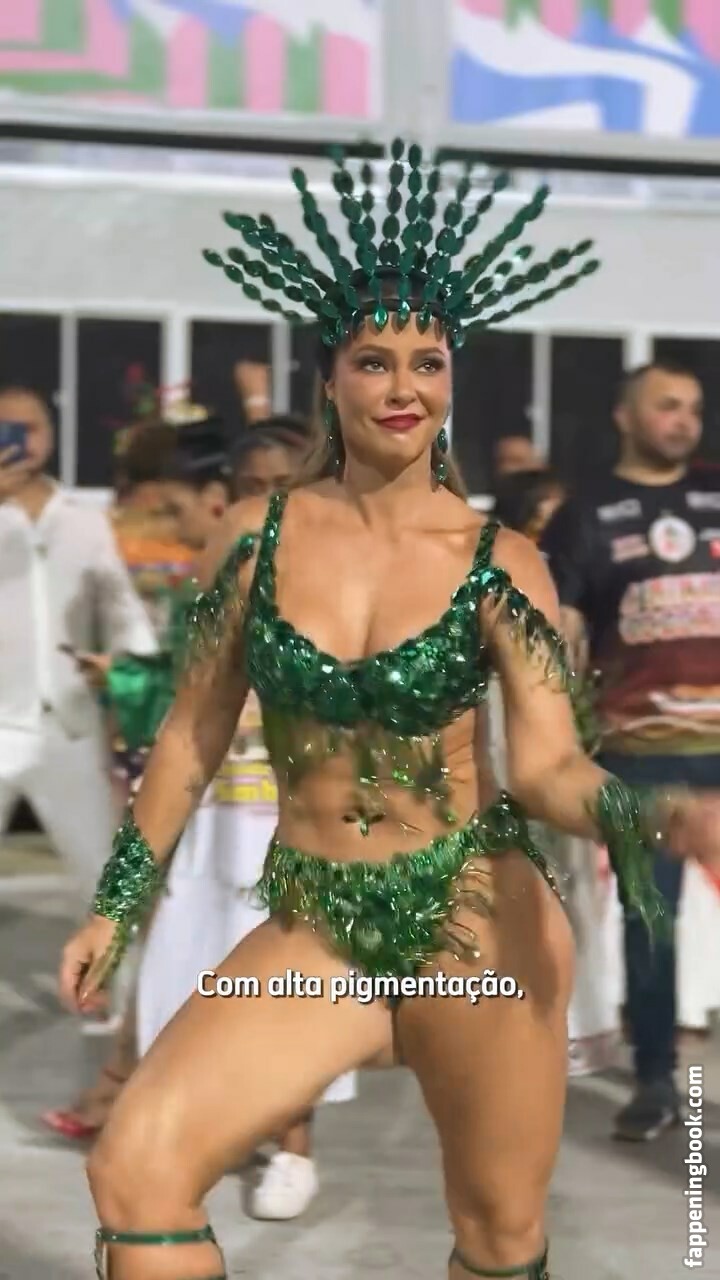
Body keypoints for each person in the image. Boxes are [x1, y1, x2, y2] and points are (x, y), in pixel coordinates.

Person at [58, 144, 719, 1280]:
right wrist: (116, 905)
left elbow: (547, 765)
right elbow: (190, 737)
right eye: (374, 361)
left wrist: (658, 813)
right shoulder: (253, 540)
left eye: (428, 362)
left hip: (480, 924)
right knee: (138, 1169)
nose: (403, 387)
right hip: (316, 923)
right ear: (330, 378)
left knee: (499, 1237)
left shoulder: (501, 559)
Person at [137, 413, 354, 1222]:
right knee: (194, 976)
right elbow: (184, 714)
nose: (266, 503)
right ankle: (205, 1132)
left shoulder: (348, 578)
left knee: (296, 990)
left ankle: (294, 1149)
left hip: (296, 819)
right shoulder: (214, 578)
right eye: (251, 488)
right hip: (218, 814)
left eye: (281, 487)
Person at [543, 359, 720, 1139]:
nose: (684, 421)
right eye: (667, 406)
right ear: (625, 416)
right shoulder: (584, 516)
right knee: (651, 920)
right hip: (641, 751)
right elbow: (560, 629)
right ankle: (654, 1078)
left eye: (693, 409)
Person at [0, 385, 156, 900]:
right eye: (9, 428)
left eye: (32, 428)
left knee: (103, 883)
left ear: (50, 435)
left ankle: (119, 959)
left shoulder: (84, 519)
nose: (23, 441)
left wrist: (135, 669)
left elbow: (120, 606)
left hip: (69, 724)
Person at [490, 469, 619, 1077]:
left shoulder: (578, 583)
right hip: (502, 743)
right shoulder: (496, 576)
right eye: (546, 522)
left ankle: (573, 1025)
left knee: (569, 885)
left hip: (565, 748)